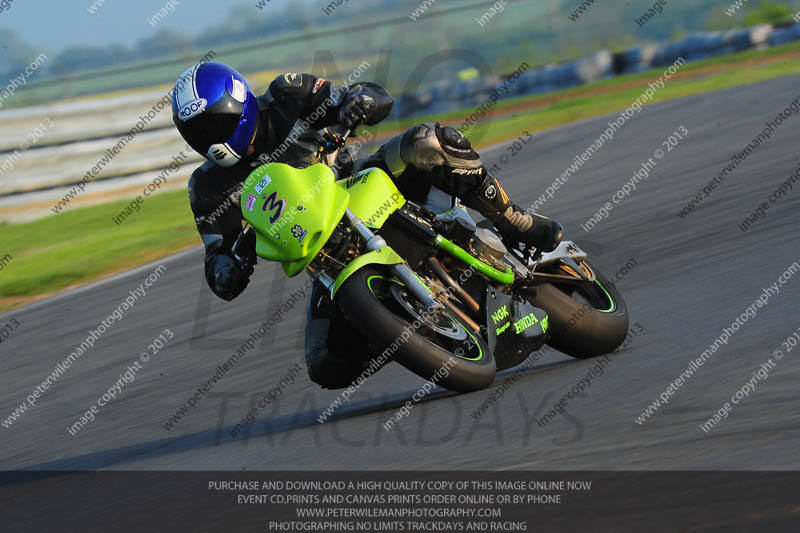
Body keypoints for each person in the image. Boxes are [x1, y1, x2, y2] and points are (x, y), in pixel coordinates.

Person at [173, 61, 562, 388]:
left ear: (238, 101)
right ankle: (400, 328)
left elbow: (372, 95)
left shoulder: (286, 95)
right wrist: (227, 266)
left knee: (427, 141)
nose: (209, 138)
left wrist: (358, 103)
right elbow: (216, 258)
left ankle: (515, 219)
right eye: (197, 132)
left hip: (362, 181)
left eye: (215, 123)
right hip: (327, 258)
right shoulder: (207, 186)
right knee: (325, 363)